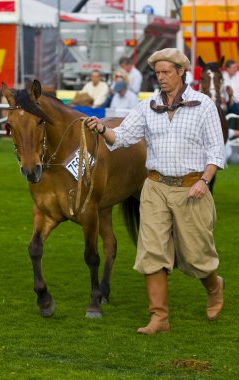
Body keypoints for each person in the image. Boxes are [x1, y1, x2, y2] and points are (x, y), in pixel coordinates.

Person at [85, 48, 225, 335]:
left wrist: (205, 180)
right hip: (155, 187)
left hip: (191, 188)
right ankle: (159, 318)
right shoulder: (147, 106)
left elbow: (216, 149)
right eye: (157, 73)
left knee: (195, 256)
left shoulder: (204, 104)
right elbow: (123, 136)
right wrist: (101, 128)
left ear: (181, 72)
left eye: (166, 72)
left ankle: (213, 286)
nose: (160, 78)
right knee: (152, 252)